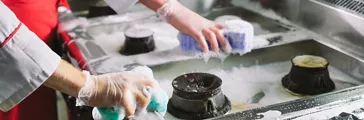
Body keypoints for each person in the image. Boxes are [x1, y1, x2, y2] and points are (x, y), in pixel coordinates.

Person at [0, 0, 228, 120]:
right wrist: (89, 86)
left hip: (41, 17)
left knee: (36, 106)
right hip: (9, 41)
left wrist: (170, 8)